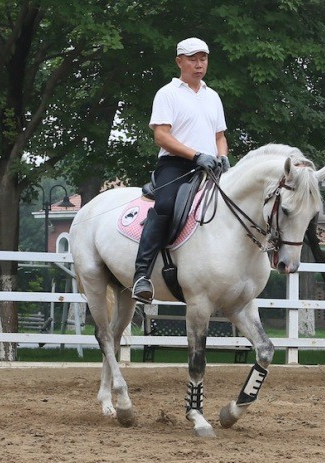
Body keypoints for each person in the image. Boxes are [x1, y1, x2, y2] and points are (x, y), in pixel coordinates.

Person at [132, 37, 230, 303]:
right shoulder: (168, 94)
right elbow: (162, 137)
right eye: (192, 59)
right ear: (179, 62)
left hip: (210, 167)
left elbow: (220, 136)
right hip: (176, 165)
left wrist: (222, 156)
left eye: (203, 59)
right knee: (165, 205)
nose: (199, 65)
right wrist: (196, 155)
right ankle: (141, 275)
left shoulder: (213, 96)